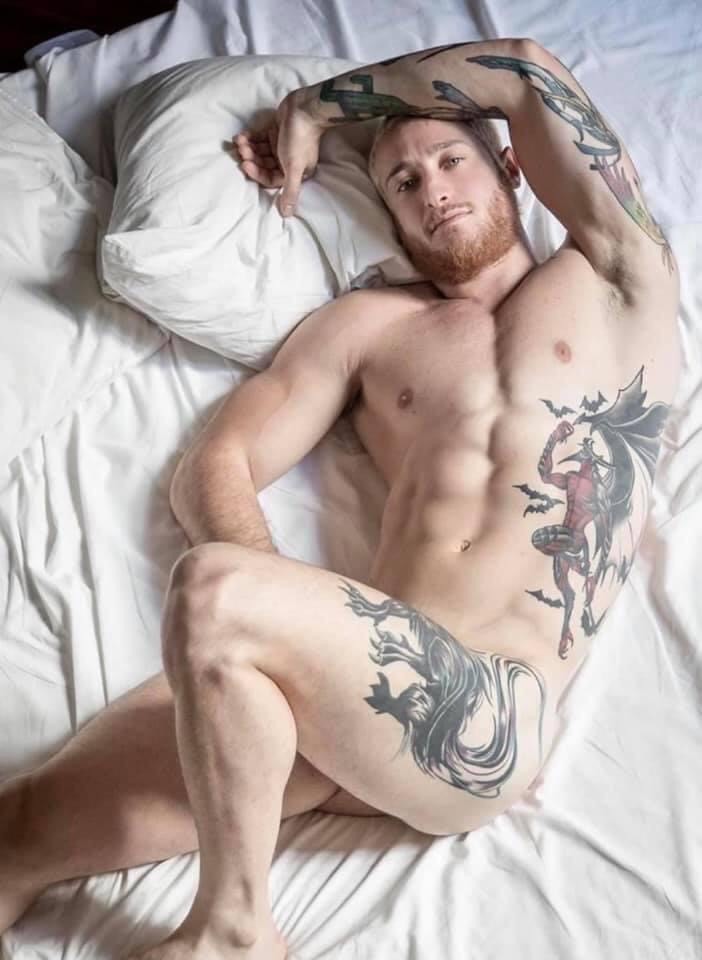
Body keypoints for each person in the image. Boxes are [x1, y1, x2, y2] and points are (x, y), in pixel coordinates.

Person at [0, 37, 680, 960]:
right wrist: (280, 616)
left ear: (511, 168)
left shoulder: (618, 277)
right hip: (355, 698)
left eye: (452, 160)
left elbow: (525, 71)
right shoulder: (370, 327)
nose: (433, 190)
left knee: (213, 590)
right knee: (16, 832)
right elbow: (216, 461)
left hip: (485, 714)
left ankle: (235, 930)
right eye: (402, 182)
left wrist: (317, 106)